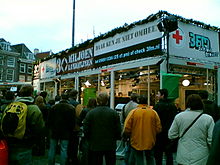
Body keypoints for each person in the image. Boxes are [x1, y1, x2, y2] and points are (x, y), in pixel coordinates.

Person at [168, 94, 215, 165]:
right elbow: (211, 139)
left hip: (183, 156)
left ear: (187, 103)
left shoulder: (179, 117)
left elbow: (171, 135)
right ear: (201, 103)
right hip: (202, 156)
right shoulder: (208, 118)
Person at [6, 84, 45, 164]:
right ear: (31, 94)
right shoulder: (34, 109)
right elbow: (40, 128)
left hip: (9, 143)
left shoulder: (10, 106)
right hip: (25, 144)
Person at [83, 92, 121, 165]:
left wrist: (88, 139)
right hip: (110, 144)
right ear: (107, 101)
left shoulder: (91, 113)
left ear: (97, 101)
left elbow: (86, 129)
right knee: (110, 162)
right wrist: (116, 138)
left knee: (96, 162)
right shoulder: (113, 113)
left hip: (95, 144)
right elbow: (118, 129)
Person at [123, 95, 162, 165]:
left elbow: (127, 128)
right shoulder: (153, 113)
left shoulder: (133, 112)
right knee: (150, 157)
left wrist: (128, 135)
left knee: (139, 158)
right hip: (150, 140)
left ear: (138, 101)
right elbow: (158, 128)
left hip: (136, 140)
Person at [48, 92, 75, 165]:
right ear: (68, 98)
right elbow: (72, 122)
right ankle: (63, 163)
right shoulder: (71, 108)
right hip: (65, 131)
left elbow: (49, 120)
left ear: (61, 98)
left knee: (52, 149)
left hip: (54, 130)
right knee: (64, 149)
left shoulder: (54, 107)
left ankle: (51, 163)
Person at [153, 89, 178, 165]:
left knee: (158, 154)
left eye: (158, 94)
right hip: (170, 131)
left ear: (162, 95)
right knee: (169, 153)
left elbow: (154, 119)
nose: (157, 96)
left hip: (159, 133)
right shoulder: (173, 106)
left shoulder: (157, 106)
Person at [120, 93, 139, 165]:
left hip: (127, 129)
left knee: (127, 148)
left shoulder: (125, 106)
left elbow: (121, 119)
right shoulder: (137, 107)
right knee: (134, 148)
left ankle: (126, 162)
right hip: (135, 130)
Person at [79, 98, 97, 165]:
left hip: (86, 131)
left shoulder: (85, 110)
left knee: (86, 149)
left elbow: (79, 120)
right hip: (95, 132)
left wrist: (82, 125)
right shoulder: (96, 111)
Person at [67, 89, 83, 165]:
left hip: (66, 128)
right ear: (75, 96)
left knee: (67, 145)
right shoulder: (77, 105)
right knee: (74, 145)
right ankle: (73, 160)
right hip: (75, 128)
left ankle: (67, 159)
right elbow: (80, 115)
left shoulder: (65, 103)